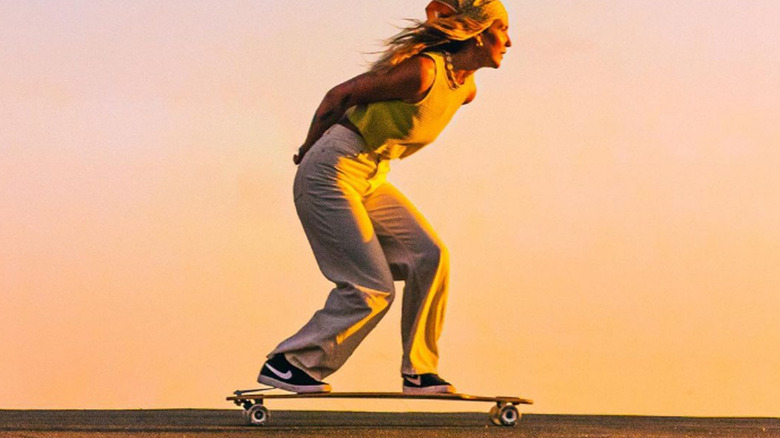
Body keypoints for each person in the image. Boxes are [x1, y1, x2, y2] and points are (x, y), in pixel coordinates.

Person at [258, 0, 512, 394]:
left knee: (430, 256)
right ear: (478, 33)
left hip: (372, 174)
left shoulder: (466, 90)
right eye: (503, 30)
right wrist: (308, 149)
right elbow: (338, 96)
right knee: (370, 287)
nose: (509, 41)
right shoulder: (423, 71)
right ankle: (289, 363)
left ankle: (419, 371)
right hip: (332, 167)